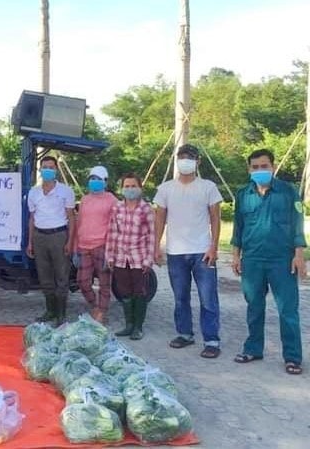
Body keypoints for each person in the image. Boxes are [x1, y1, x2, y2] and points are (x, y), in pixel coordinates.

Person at [231, 149, 307, 375]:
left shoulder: (288, 192)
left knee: (288, 310)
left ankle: (292, 357)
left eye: (264, 166)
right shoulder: (243, 194)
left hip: (282, 260)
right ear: (249, 169)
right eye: (255, 167)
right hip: (252, 259)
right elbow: (238, 227)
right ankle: (253, 349)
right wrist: (236, 255)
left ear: (272, 167)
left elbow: (297, 224)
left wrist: (299, 254)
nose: (259, 170)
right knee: (254, 307)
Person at [154, 143, 223, 358]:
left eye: (190, 157)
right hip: (176, 252)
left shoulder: (208, 187)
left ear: (197, 161)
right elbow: (159, 219)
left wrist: (214, 246)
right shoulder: (166, 188)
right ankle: (184, 333)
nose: (186, 161)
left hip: (202, 251)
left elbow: (215, 217)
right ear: (177, 160)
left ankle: (211, 340)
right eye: (182, 157)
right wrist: (156, 246)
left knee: (208, 298)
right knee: (180, 297)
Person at [27, 155, 76, 325]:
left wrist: (70, 241)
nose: (48, 170)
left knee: (61, 276)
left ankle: (61, 315)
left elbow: (71, 217)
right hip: (39, 236)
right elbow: (32, 218)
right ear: (40, 170)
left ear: (56, 170)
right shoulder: (33, 193)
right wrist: (30, 242)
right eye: (45, 167)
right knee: (44, 276)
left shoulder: (65, 191)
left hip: (59, 236)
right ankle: (50, 311)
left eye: (51, 167)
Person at [106, 173, 155, 340]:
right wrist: (110, 256)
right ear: (122, 189)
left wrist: (149, 259)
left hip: (139, 257)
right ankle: (128, 325)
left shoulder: (146, 209)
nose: (130, 189)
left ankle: (138, 327)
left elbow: (152, 235)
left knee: (139, 292)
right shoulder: (117, 208)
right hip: (120, 257)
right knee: (124, 291)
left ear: (140, 188)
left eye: (133, 186)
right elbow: (112, 232)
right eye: (126, 186)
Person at [74, 165, 117, 323]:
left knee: (105, 283)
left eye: (98, 179)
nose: (94, 182)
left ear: (105, 182)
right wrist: (75, 248)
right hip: (84, 247)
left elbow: (116, 225)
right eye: (92, 179)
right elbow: (79, 223)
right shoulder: (85, 200)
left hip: (102, 246)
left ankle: (101, 313)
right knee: (82, 281)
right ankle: (95, 306)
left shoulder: (112, 200)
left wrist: (112, 252)